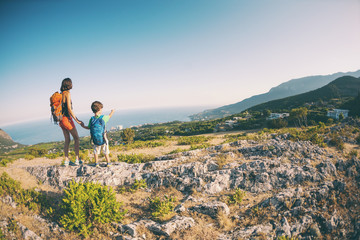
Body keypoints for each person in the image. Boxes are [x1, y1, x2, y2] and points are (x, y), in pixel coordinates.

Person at [81, 101, 115, 167]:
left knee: (96, 151)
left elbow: (89, 127)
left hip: (95, 139)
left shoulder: (92, 119)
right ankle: (108, 163)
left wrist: (82, 125)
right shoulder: (103, 117)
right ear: (99, 109)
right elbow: (109, 116)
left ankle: (96, 163)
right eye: (101, 108)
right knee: (105, 151)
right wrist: (112, 111)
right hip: (103, 138)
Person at [59, 78, 83, 166]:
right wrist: (76, 119)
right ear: (69, 84)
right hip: (67, 119)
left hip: (61, 120)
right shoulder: (67, 94)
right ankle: (77, 159)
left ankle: (66, 160)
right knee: (76, 138)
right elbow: (69, 108)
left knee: (67, 140)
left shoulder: (61, 94)